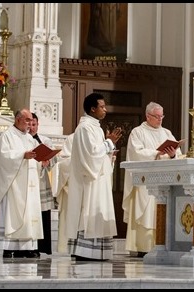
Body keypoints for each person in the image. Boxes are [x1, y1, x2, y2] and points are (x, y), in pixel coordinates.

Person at [65, 93, 123, 261]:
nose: (105, 110)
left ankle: (98, 252)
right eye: (102, 107)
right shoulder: (84, 128)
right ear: (92, 108)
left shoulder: (95, 127)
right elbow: (90, 156)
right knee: (89, 212)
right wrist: (109, 143)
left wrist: (109, 156)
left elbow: (98, 154)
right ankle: (85, 251)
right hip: (89, 182)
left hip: (98, 180)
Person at [122, 101, 182, 257]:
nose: (160, 119)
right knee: (146, 212)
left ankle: (162, 245)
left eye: (162, 116)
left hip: (163, 181)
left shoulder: (167, 133)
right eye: (157, 116)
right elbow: (137, 153)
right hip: (145, 181)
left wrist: (172, 154)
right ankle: (143, 247)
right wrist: (157, 154)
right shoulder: (137, 132)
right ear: (148, 116)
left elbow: (177, 154)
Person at [0, 108, 43, 259]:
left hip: (30, 185)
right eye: (27, 120)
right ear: (18, 120)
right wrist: (22, 155)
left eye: (32, 121)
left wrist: (41, 163)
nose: (30, 124)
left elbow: (34, 158)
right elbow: (4, 157)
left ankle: (27, 247)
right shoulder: (7, 136)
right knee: (13, 214)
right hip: (14, 185)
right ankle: (10, 247)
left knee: (29, 215)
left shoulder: (30, 139)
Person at [29, 112, 56, 257]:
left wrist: (48, 161)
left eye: (34, 124)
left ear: (38, 125)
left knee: (43, 215)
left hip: (42, 182)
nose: (32, 127)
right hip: (29, 182)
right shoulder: (24, 140)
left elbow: (53, 161)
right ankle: (31, 247)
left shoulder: (45, 140)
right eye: (30, 124)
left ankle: (44, 246)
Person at [51, 133, 74, 254]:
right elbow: (63, 161)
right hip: (72, 186)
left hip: (90, 185)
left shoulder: (98, 136)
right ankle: (65, 248)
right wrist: (82, 161)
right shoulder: (72, 139)